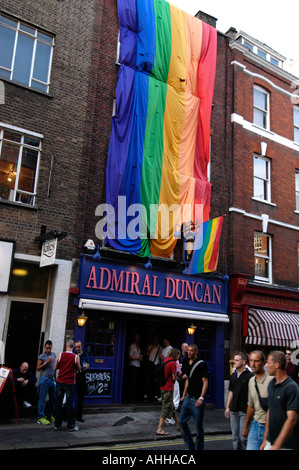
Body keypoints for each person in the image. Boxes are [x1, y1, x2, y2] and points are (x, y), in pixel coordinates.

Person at [260, 351, 299, 450]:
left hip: (287, 445)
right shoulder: (271, 384)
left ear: (277, 365)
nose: (266, 366)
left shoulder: (291, 388)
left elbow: (292, 419)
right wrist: (265, 439)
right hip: (271, 442)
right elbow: (270, 411)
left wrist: (277, 445)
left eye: (268, 363)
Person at [179, 343, 208, 450]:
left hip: (197, 400)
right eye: (188, 350)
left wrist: (201, 397)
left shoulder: (201, 364)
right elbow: (188, 379)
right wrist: (183, 395)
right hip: (188, 398)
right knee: (181, 421)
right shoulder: (186, 362)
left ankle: (199, 448)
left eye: (191, 351)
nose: (189, 352)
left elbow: (205, 382)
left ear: (196, 352)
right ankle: (190, 446)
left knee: (198, 427)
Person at [242, 350, 273, 450]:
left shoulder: (272, 381)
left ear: (264, 363)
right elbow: (251, 406)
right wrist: (246, 427)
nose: (252, 364)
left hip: (270, 428)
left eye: (256, 361)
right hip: (255, 426)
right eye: (251, 361)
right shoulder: (251, 381)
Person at [225, 351, 253, 450]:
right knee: (234, 437)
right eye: (234, 360)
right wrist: (227, 406)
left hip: (244, 410)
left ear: (243, 362)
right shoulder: (233, 375)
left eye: (237, 360)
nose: (234, 362)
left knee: (243, 437)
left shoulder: (250, 375)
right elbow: (231, 391)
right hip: (233, 409)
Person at [54, 339, 81, 431]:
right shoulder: (75, 357)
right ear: (73, 347)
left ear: (66, 346)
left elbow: (55, 367)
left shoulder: (60, 355)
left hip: (60, 381)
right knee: (69, 404)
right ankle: (71, 426)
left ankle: (57, 425)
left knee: (58, 403)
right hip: (70, 382)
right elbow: (79, 369)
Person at [156, 348, 180, 435]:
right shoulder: (173, 363)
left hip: (162, 387)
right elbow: (174, 377)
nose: (179, 356)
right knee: (166, 408)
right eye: (178, 355)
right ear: (174, 354)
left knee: (171, 407)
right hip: (169, 388)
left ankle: (178, 425)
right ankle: (159, 429)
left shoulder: (165, 360)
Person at [36, 340, 56, 425]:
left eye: (50, 348)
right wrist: (46, 362)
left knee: (53, 398)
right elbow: (38, 368)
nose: (48, 350)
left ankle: (49, 415)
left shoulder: (53, 354)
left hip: (52, 379)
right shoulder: (42, 356)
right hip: (45, 378)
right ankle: (40, 417)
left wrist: (56, 378)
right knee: (42, 398)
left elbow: (54, 367)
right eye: (47, 348)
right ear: (45, 347)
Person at [74, 340, 90, 422]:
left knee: (80, 396)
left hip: (82, 375)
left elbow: (88, 362)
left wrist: (87, 366)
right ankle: (69, 414)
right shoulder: (73, 354)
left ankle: (79, 415)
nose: (77, 348)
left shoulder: (85, 354)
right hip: (74, 375)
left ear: (81, 347)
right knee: (71, 395)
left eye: (79, 347)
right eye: (76, 347)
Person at [143, 336, 161, 402]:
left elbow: (161, 356)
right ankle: (146, 394)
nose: (155, 342)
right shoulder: (150, 346)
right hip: (150, 364)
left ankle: (156, 395)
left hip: (156, 365)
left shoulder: (160, 347)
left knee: (156, 380)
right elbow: (147, 353)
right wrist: (152, 346)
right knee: (148, 379)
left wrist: (159, 350)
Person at [128, 334, 143, 402]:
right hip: (133, 365)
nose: (138, 340)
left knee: (135, 381)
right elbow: (130, 356)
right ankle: (130, 397)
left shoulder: (138, 347)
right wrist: (137, 358)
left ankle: (134, 396)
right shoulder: (132, 347)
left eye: (138, 338)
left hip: (138, 365)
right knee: (132, 381)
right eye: (137, 338)